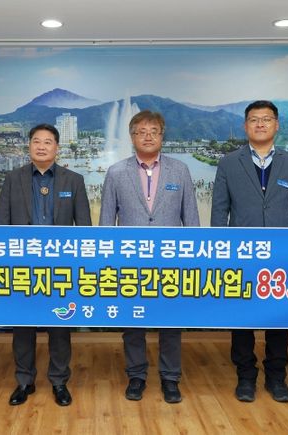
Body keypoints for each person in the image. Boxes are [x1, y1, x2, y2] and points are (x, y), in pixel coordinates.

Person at [210, 100, 288, 403]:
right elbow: (219, 212)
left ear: (276, 125)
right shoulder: (229, 163)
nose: (260, 124)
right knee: (241, 318)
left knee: (279, 318)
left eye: (266, 119)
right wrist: (221, 251)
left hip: (282, 255)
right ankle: (245, 377)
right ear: (245, 126)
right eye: (254, 119)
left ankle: (277, 377)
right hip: (241, 255)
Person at [99, 110, 199, 404]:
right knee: (133, 321)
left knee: (171, 322)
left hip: (171, 260)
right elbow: (106, 224)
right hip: (130, 261)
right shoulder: (116, 172)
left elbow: (191, 221)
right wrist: (109, 261)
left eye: (154, 131)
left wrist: (192, 259)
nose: (147, 136)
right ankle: (136, 375)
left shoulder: (180, 171)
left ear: (162, 136)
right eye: (141, 131)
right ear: (132, 137)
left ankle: (170, 378)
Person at [0, 124, 91, 407]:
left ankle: (59, 381)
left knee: (59, 325)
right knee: (23, 325)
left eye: (48, 142)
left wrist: (79, 266)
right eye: (36, 141)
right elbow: (1, 225)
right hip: (22, 266)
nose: (41, 146)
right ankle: (24, 380)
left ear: (57, 148)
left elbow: (84, 228)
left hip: (60, 268)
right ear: (29, 146)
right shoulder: (13, 179)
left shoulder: (74, 180)